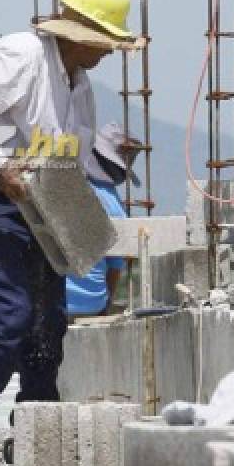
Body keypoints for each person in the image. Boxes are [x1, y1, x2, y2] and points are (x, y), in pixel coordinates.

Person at [0, 0, 135, 426]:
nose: (107, 51)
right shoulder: (23, 55)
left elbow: (73, 159)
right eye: (103, 39)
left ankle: (39, 419)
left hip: (44, 200)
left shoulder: (80, 88)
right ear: (77, 31)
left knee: (50, 320)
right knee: (13, 313)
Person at [66, 122, 142, 319]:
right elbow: (113, 272)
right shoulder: (115, 207)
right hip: (92, 306)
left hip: (52, 302)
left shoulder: (62, 186)